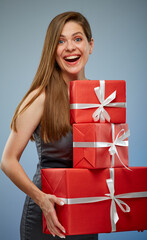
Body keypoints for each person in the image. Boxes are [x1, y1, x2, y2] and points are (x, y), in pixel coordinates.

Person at [1, 11, 98, 240]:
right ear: (52, 50)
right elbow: (7, 160)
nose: (70, 47)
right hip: (47, 217)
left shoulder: (101, 99)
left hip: (87, 212)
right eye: (60, 41)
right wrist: (42, 200)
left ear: (90, 45)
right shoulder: (40, 97)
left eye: (77, 39)